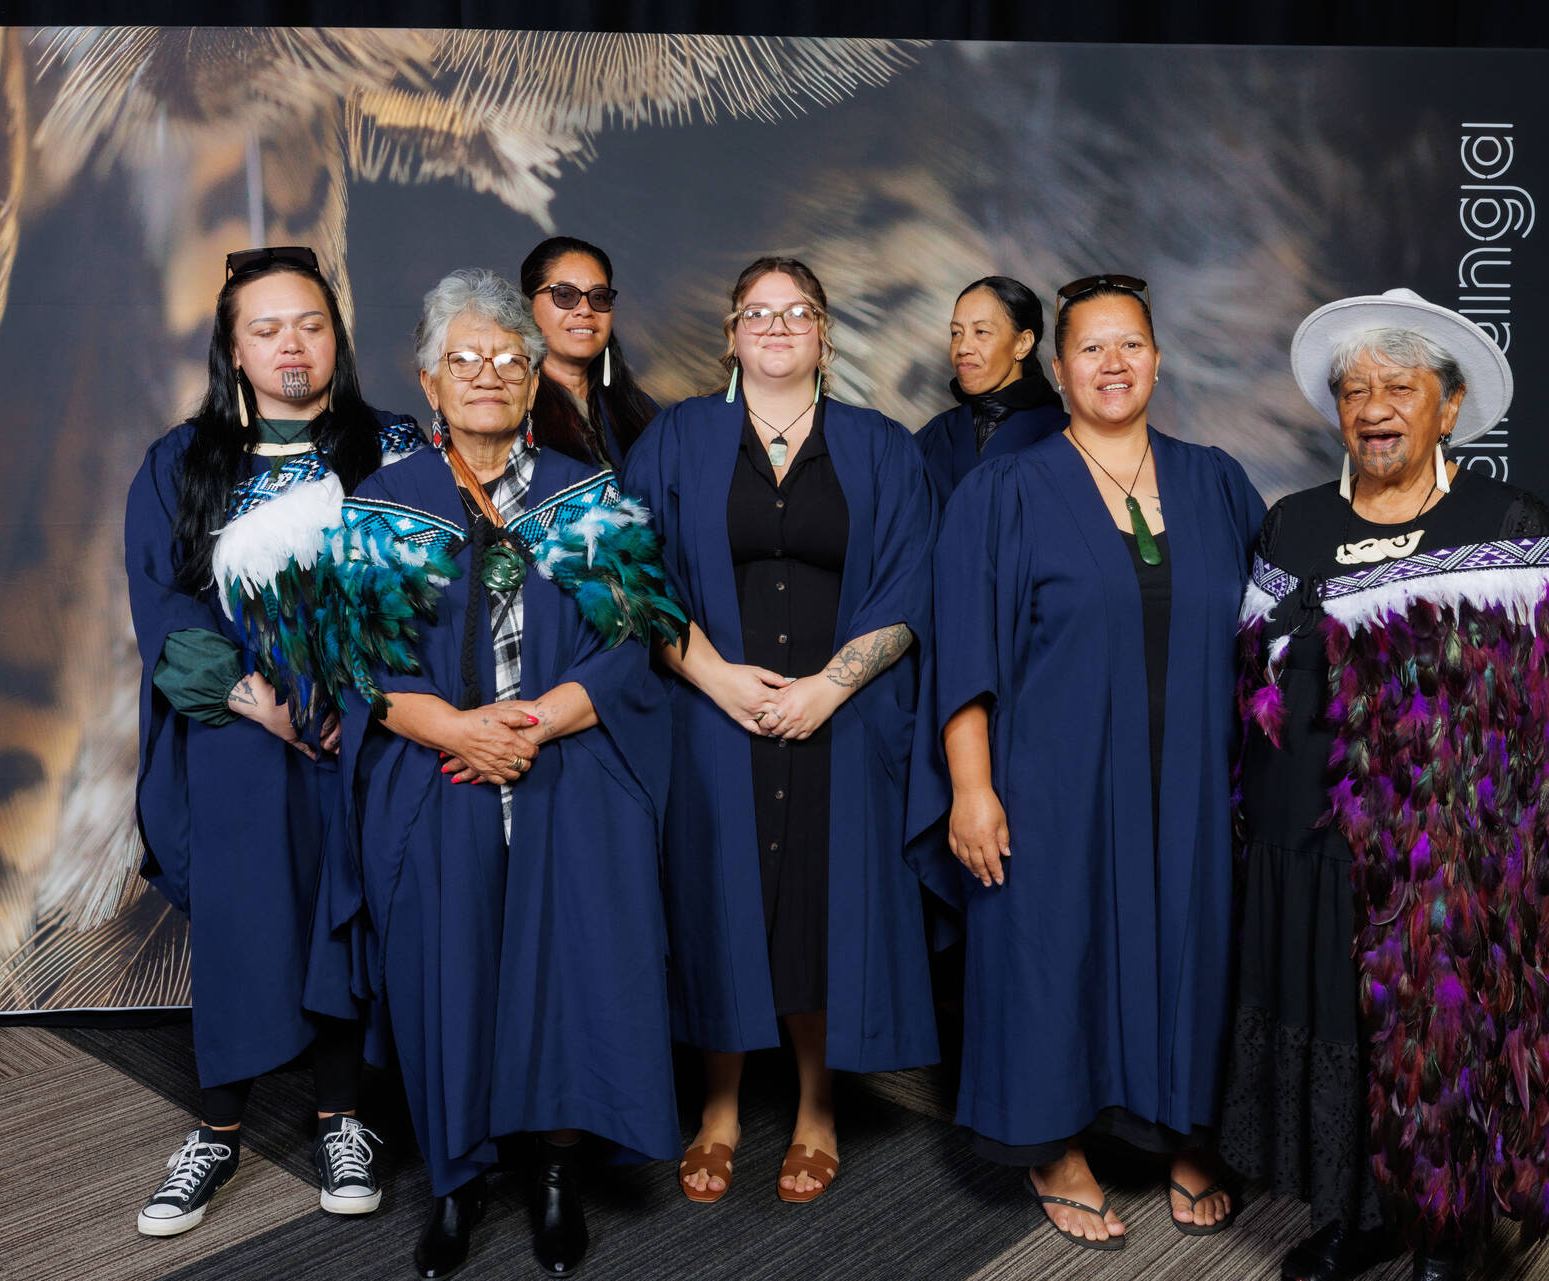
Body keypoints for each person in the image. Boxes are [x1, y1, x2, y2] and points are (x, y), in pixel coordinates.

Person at [1217, 289, 1549, 1281]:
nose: (1374, 408)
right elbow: (1255, 677)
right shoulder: (1294, 522)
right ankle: (1357, 1213)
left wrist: (1510, 856)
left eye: (1400, 387)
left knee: (1433, 1038)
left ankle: (1443, 1230)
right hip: (1305, 843)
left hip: (1440, 856)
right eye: (1355, 391)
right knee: (1332, 1026)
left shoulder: (1506, 521)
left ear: (1450, 404)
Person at [319, 268, 683, 1279]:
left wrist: (529, 726)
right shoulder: (386, 502)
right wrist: (459, 733)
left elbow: (632, 645)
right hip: (439, 773)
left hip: (568, 764)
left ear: (534, 378)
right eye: (465, 358)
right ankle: (458, 1182)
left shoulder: (587, 495)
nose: (488, 373)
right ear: (428, 380)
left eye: (509, 359)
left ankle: (556, 1175)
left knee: (573, 973)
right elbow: (359, 667)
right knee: (450, 976)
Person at [907, 274, 1263, 1251]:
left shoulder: (1215, 481)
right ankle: (1054, 1147)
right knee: (1050, 954)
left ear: (1158, 360)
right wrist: (970, 788)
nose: (1113, 363)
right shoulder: (1002, 491)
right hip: (1050, 784)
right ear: (1058, 369)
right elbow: (963, 652)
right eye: (1091, 348)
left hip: (1191, 782)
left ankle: (1184, 1130)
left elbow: (1273, 635)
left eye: (1131, 344)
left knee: (1194, 948)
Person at [620, 256, 939, 1206]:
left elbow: (914, 582)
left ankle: (817, 1109)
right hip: (707, 718)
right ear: (730, 334)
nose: (776, 325)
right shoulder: (678, 438)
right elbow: (630, 572)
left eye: (797, 312)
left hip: (841, 721)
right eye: (757, 312)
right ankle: (717, 1108)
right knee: (715, 900)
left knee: (815, 906)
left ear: (824, 335)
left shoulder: (882, 447)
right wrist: (716, 677)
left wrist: (828, 689)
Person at [124, 245, 419, 1236]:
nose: (294, 345)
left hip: (366, 729)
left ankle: (342, 1119)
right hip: (241, 732)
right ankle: (216, 1130)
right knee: (246, 918)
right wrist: (261, 703)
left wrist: (361, 692)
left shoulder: (396, 447)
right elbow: (162, 604)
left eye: (311, 324)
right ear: (234, 349)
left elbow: (432, 586)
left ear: (337, 336)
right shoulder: (182, 462)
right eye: (268, 329)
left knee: (346, 911)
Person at [913, 275, 1067, 502]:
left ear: (1022, 343)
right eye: (956, 333)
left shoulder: (1065, 436)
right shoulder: (935, 433)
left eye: (981, 332)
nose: (963, 348)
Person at [521, 235, 659, 468]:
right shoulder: (510, 408)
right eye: (565, 295)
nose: (585, 309)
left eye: (599, 297)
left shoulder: (642, 410)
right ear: (528, 304)